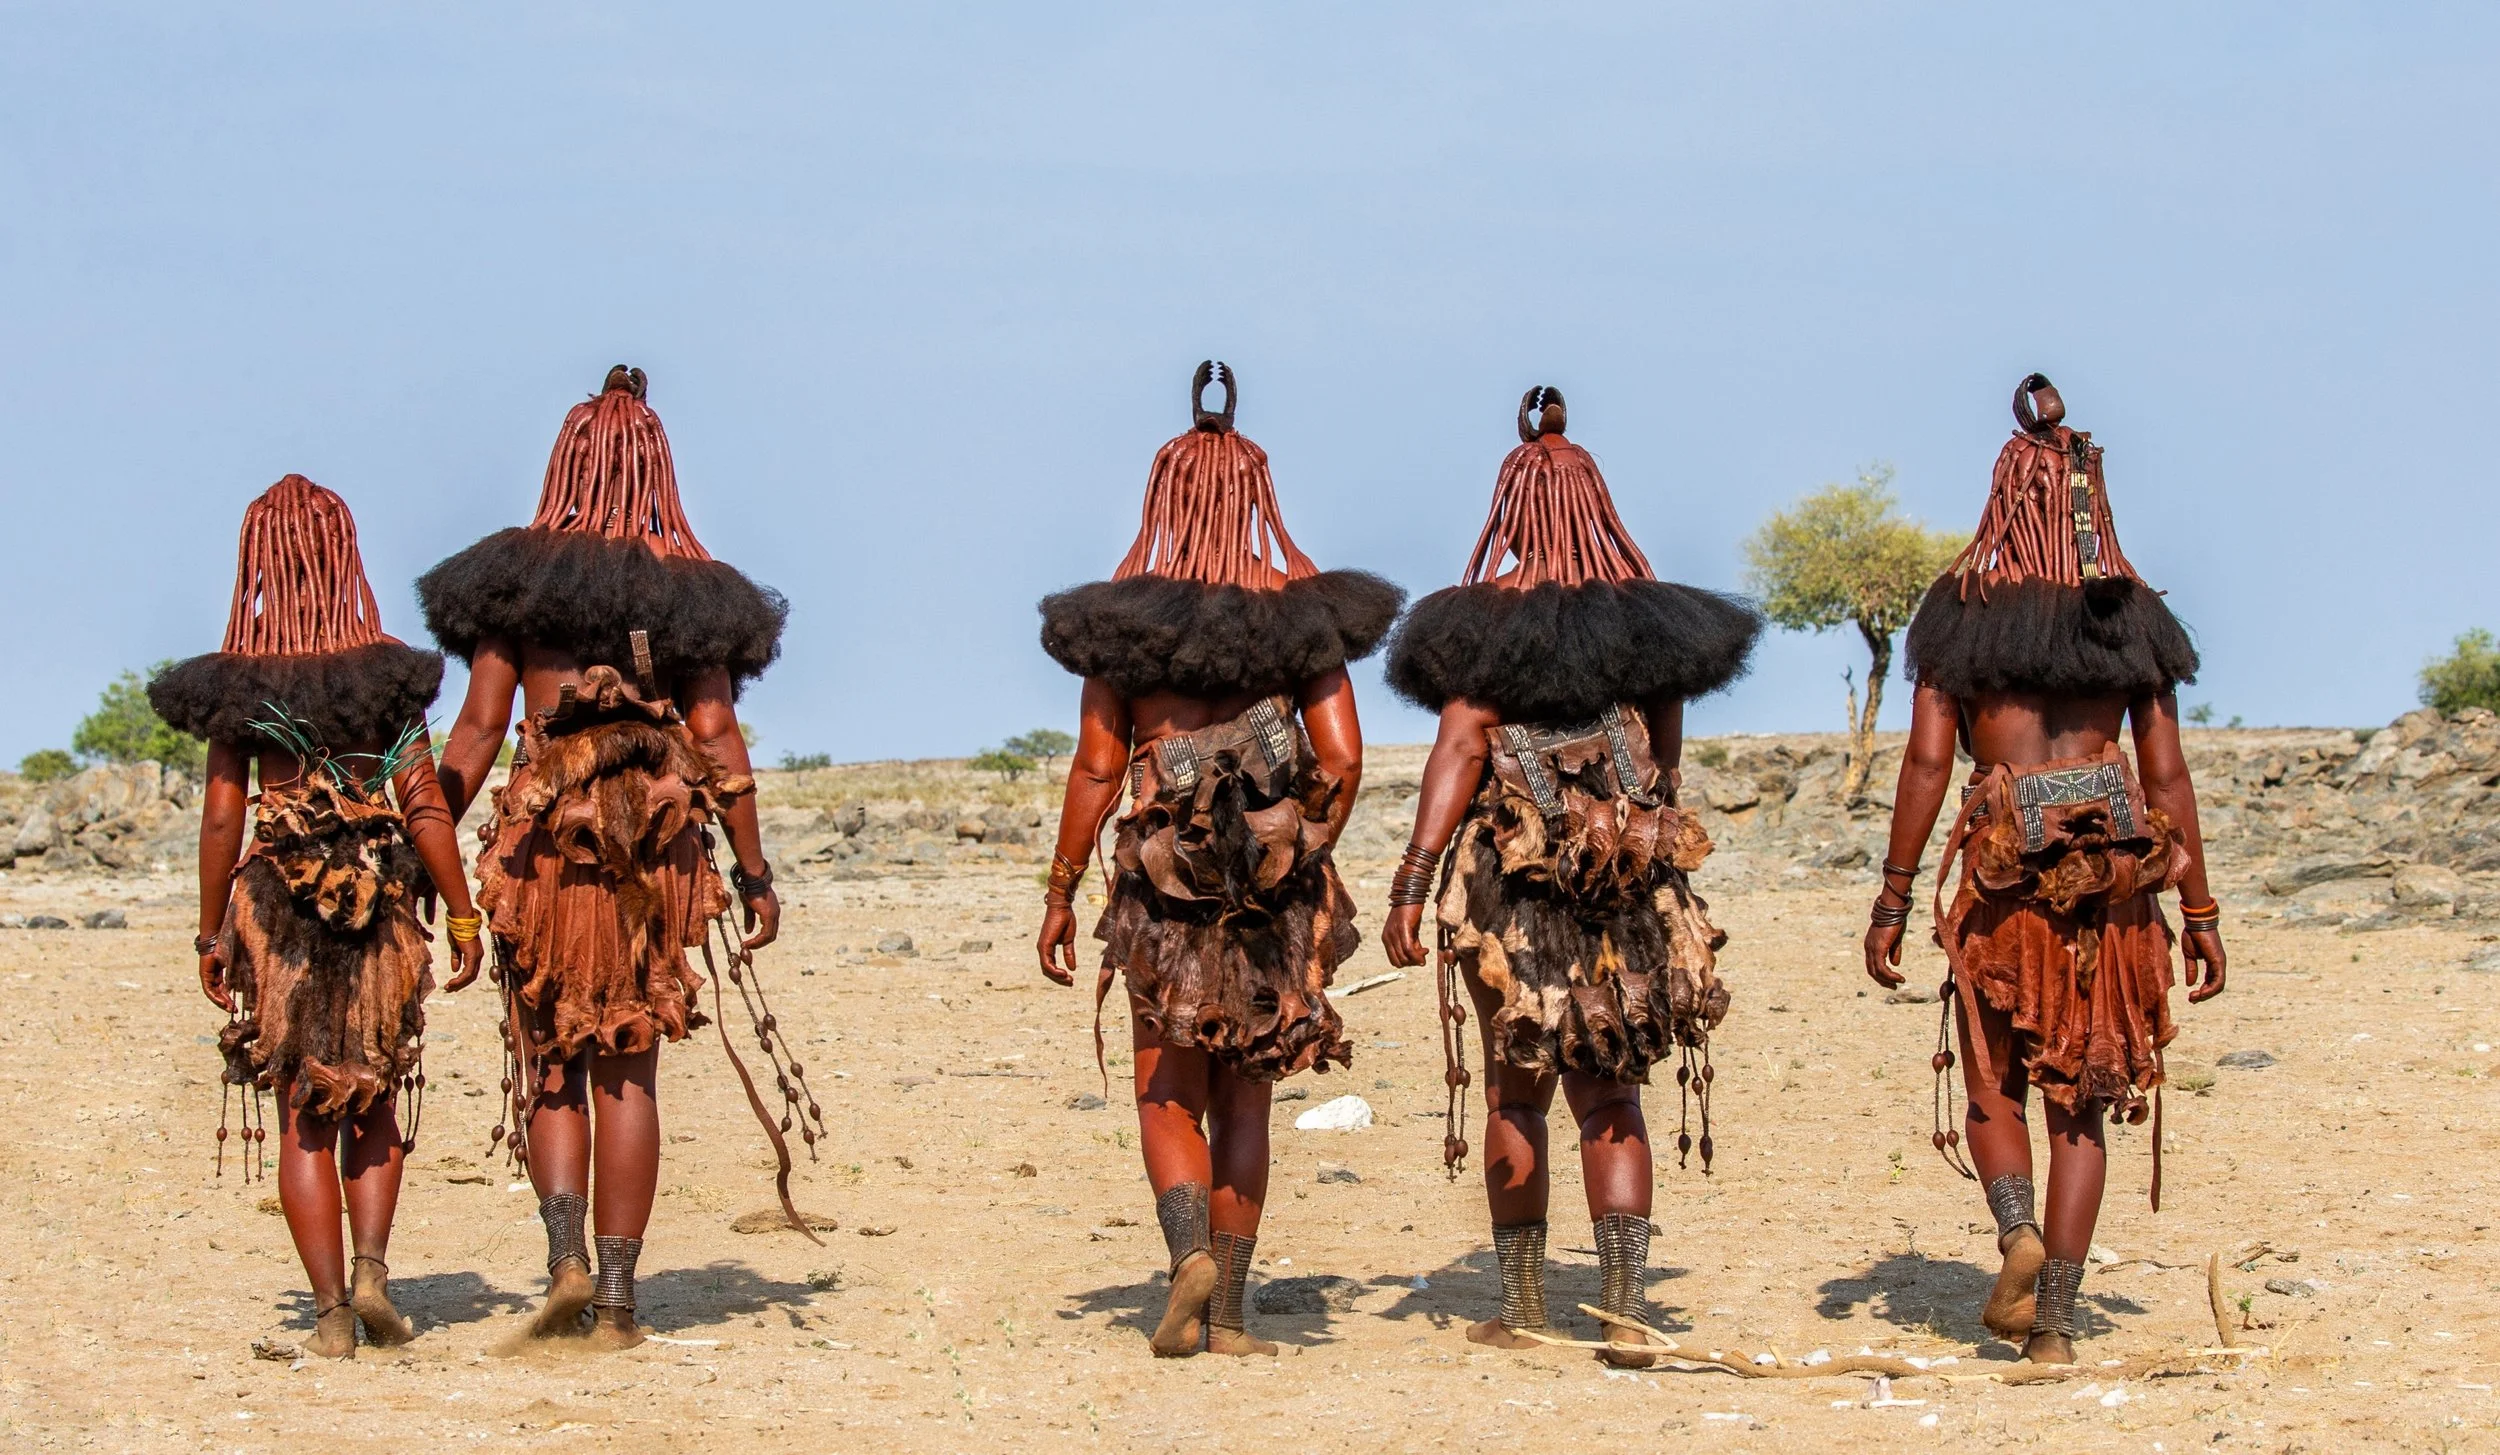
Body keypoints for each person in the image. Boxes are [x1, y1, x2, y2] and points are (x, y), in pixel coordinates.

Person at [422, 365, 812, 1349]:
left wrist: (421, 847)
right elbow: (718, 742)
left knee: (551, 1056)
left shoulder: (515, 588)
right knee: (628, 1068)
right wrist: (753, 873)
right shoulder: (693, 597)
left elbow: (475, 733)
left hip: (544, 853)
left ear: (567, 464)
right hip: (653, 854)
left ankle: (562, 1262)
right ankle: (616, 1302)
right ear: (656, 470)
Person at [1379, 387, 1759, 1366]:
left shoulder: (1481, 628)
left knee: (1517, 1095)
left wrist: (1412, 884)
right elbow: (1663, 762)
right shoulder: (1647, 628)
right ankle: (1626, 1314)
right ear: (1596, 504)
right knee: (1611, 1092)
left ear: (1510, 510)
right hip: (1624, 885)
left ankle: (1524, 1310)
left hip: (1511, 895)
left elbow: (1458, 751)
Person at [1036, 362, 1401, 1357]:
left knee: (1166, 1089)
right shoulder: (1297, 612)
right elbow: (1344, 759)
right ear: (1254, 495)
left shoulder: (1121, 622)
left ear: (1164, 495)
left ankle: (1187, 1256)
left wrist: (1060, 893)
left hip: (1160, 881)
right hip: (1271, 882)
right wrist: (1301, 853)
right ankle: (1231, 1315)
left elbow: (1096, 768)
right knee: (1247, 1092)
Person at [1866, 373, 2223, 1364]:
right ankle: (2054, 1331)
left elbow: (1926, 764)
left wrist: (1894, 898)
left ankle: (2016, 1232)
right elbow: (2167, 775)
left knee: (1994, 1079)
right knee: (2082, 1100)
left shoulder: (1959, 614)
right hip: (2113, 876)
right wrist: (2198, 912)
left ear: (2002, 497)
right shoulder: (2130, 615)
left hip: (2003, 872)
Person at [151, 474, 485, 1358]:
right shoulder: (387, 672)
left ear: (258, 564)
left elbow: (223, 816)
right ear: (345, 557)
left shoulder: (242, 686)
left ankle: (333, 1313)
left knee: (306, 1107)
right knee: (374, 1090)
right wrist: (459, 913)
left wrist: (212, 932)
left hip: (280, 910)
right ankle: (373, 1271)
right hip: (377, 899)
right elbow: (423, 802)